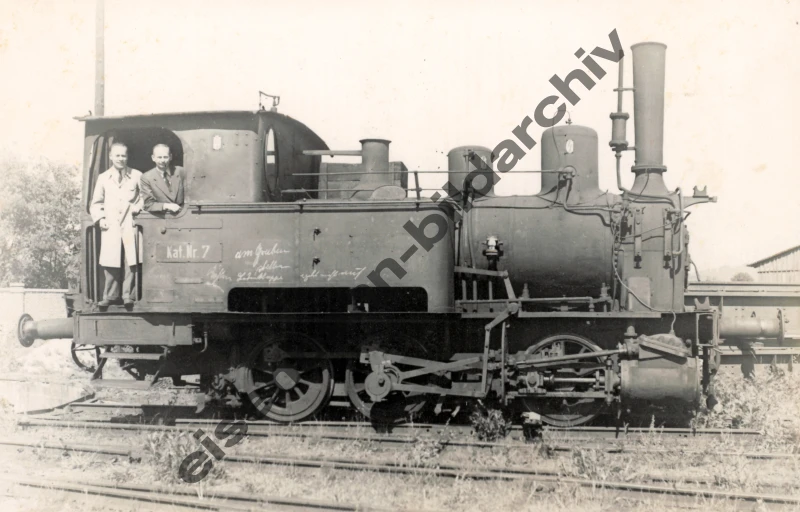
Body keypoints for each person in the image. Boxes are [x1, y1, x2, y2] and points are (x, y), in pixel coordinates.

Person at [89, 142, 143, 307]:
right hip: (111, 225)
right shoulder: (103, 178)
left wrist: (138, 207)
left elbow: (145, 198)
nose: (120, 158)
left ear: (127, 157)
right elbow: (96, 203)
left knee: (131, 261)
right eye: (117, 155)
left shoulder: (137, 175)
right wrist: (100, 219)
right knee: (110, 260)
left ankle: (128, 296)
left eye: (123, 155)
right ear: (111, 156)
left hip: (130, 224)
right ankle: (111, 296)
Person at [140, 144, 185, 213]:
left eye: (165, 157)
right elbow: (148, 204)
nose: (162, 160)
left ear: (170, 157)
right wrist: (165, 206)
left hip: (182, 215)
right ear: (153, 158)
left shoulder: (181, 171)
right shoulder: (146, 177)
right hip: (162, 217)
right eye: (159, 157)